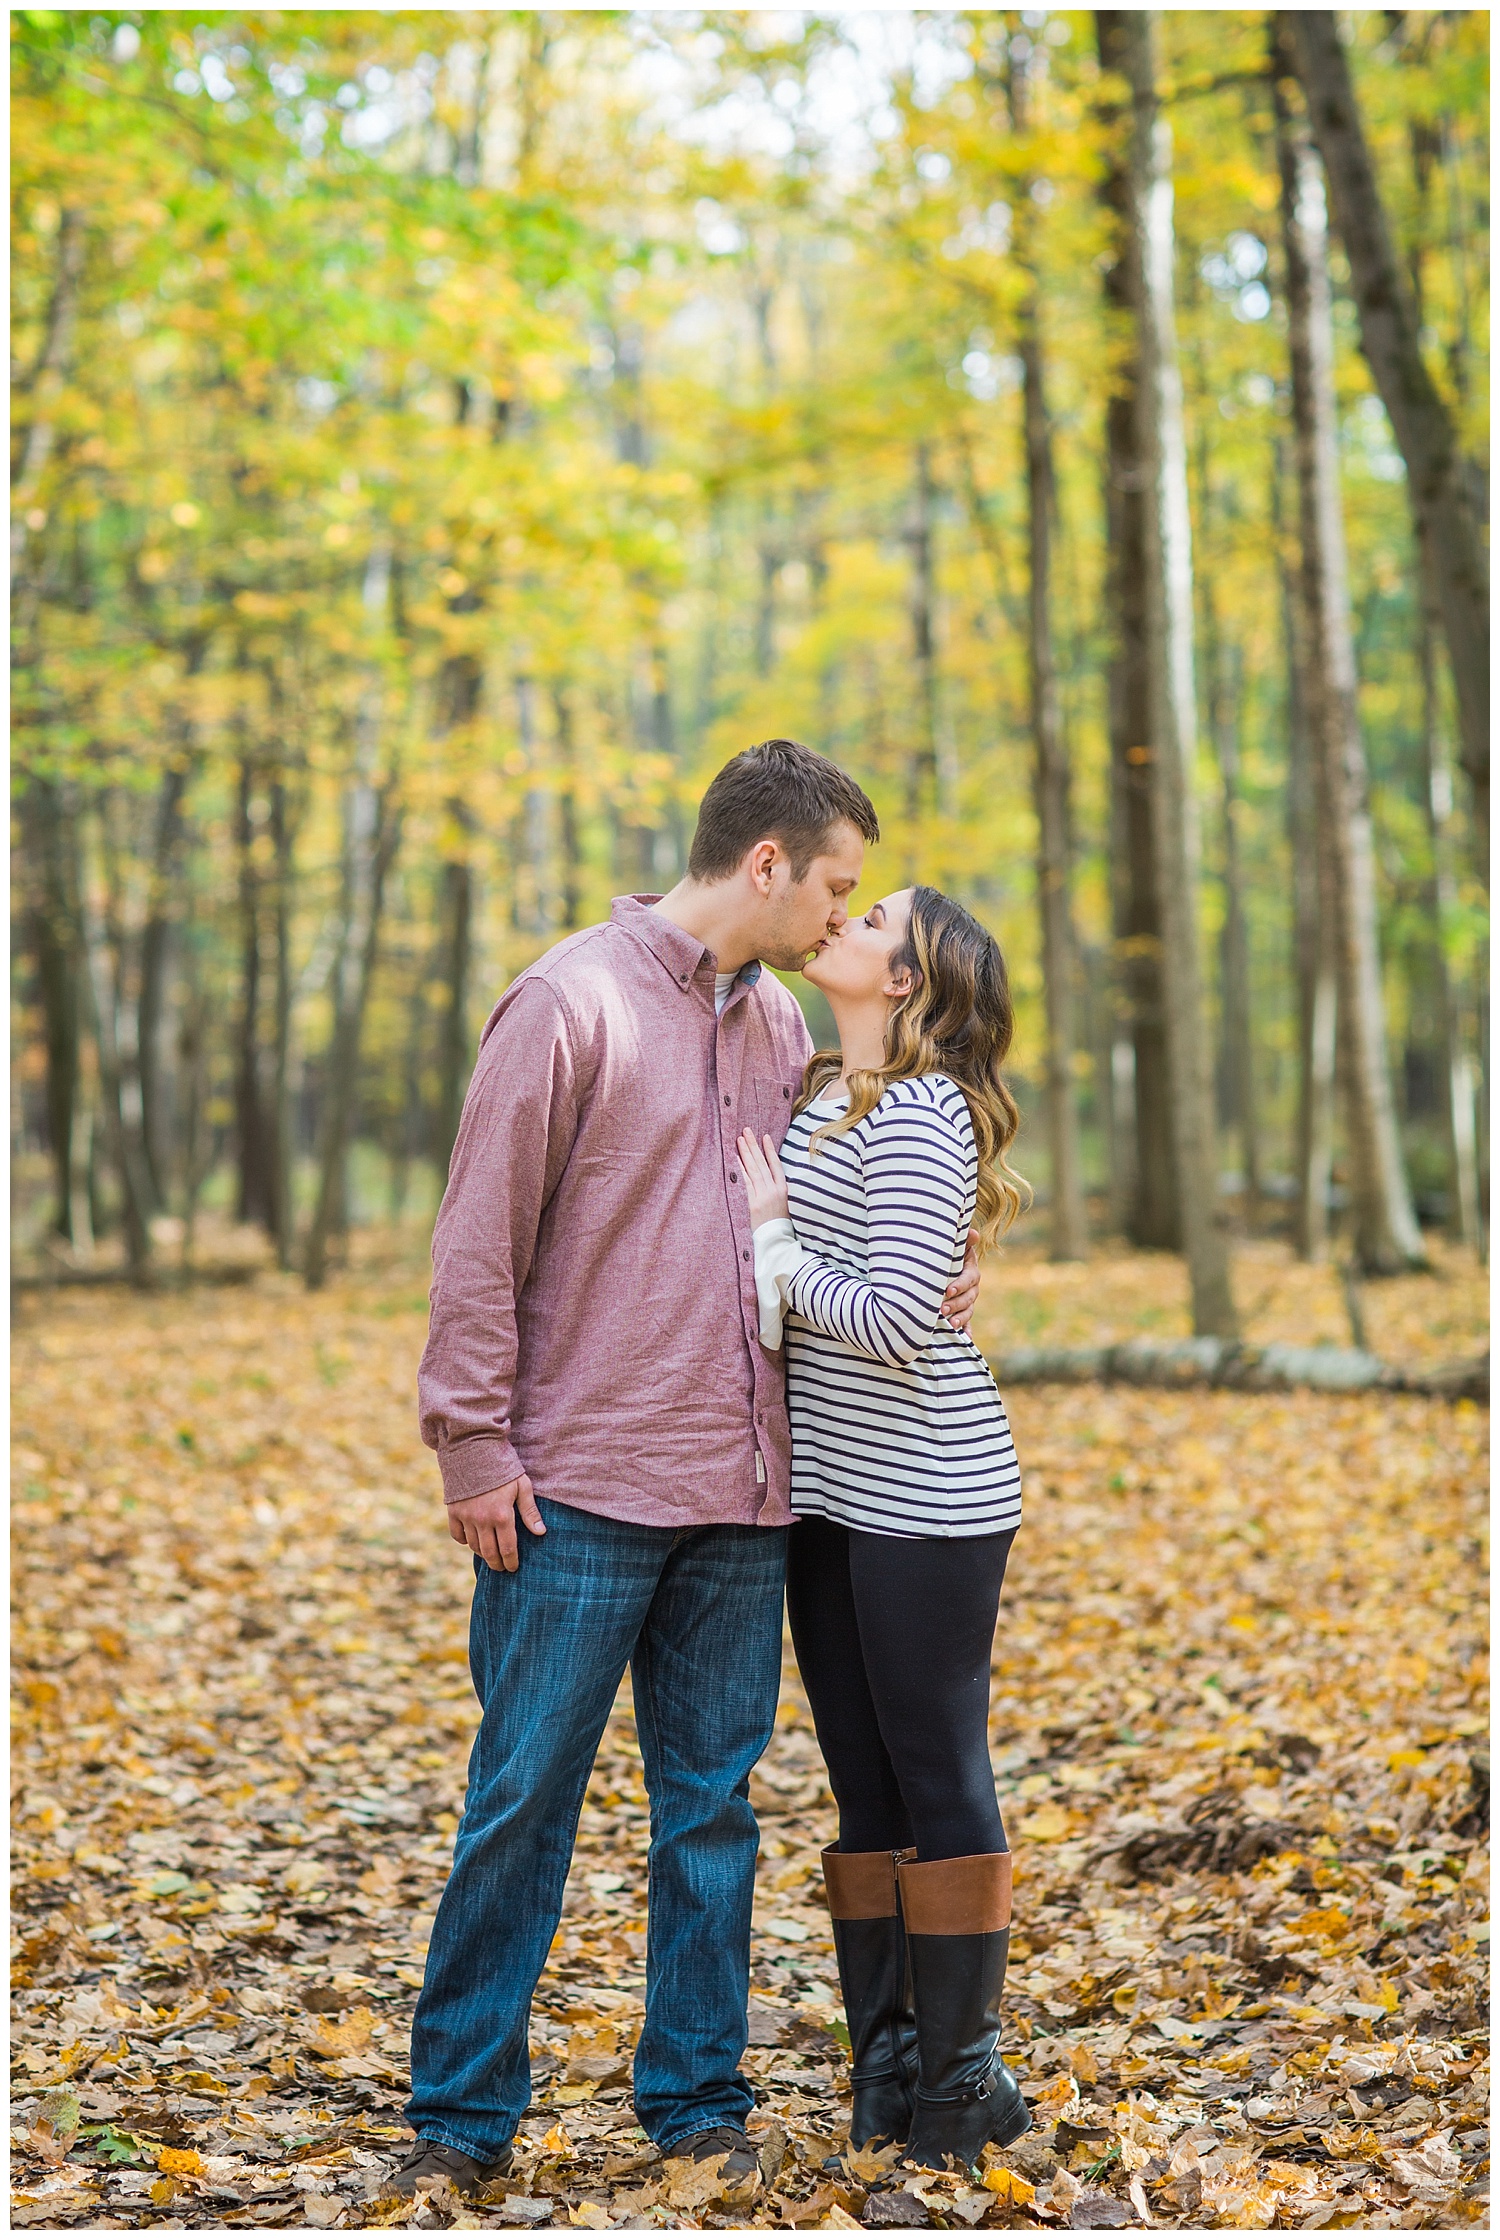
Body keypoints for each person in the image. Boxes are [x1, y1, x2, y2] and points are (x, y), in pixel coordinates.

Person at [393, 744, 983, 2201]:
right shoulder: (567, 1002)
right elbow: (478, 1239)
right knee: (522, 1799)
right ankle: (460, 2122)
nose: (843, 913)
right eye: (835, 883)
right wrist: (472, 1438)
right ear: (767, 865)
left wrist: (945, 1273)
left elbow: (833, 1213)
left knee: (711, 1816)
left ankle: (697, 2105)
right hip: (577, 1488)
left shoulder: (781, 1024)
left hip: (743, 1500)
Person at [737, 883, 1031, 2174]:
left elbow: (905, 1320)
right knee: (862, 1779)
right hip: (830, 1493)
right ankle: (888, 2071)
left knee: (937, 1768)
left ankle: (962, 2090)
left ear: (904, 981)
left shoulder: (920, 1115)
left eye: (873, 924)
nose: (841, 925)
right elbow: (877, 1282)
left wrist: (775, 1257)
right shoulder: (817, 1096)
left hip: (930, 1492)